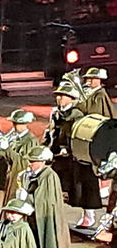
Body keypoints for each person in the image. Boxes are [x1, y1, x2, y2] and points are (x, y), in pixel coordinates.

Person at [44, 81, 102, 227]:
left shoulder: (76, 115)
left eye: (63, 96)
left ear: (71, 98)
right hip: (57, 155)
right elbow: (50, 131)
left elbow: (76, 134)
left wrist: (68, 149)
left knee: (82, 186)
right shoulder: (56, 113)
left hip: (74, 157)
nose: (60, 99)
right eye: (58, 96)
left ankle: (89, 215)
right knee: (53, 185)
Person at [16, 146, 72, 248]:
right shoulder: (32, 174)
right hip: (35, 219)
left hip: (48, 219)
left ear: (42, 161)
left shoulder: (49, 176)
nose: (30, 164)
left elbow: (45, 199)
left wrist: (26, 197)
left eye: (33, 161)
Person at [0, 109, 39, 200]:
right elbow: (4, 156)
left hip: (21, 176)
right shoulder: (15, 137)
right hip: (11, 173)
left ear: (25, 124)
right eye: (14, 123)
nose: (14, 126)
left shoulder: (30, 140)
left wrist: (7, 149)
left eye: (17, 124)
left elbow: (24, 161)